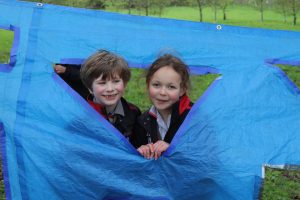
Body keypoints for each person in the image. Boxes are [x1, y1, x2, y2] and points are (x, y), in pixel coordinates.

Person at [130, 54, 193, 160]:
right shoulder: (142, 121)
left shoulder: (193, 117)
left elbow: (205, 156)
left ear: (182, 90)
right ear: (148, 85)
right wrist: (141, 150)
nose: (162, 92)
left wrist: (173, 150)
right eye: (156, 85)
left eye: (171, 87)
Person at [80, 50, 141, 139]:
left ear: (125, 84)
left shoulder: (134, 112)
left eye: (116, 81)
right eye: (102, 83)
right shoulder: (81, 120)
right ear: (90, 88)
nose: (110, 89)